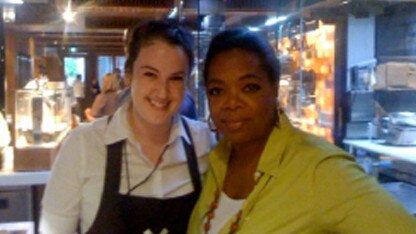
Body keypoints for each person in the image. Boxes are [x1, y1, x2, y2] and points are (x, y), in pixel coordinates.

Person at [188, 28, 416, 233]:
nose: (231, 103)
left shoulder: (318, 169)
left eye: (249, 87)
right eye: (217, 90)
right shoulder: (219, 158)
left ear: (274, 89)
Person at [40, 19, 216, 234]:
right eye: (150, 74)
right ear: (129, 75)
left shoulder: (203, 142)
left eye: (176, 78)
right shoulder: (83, 145)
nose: (162, 92)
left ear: (187, 82)